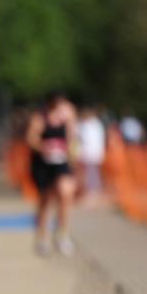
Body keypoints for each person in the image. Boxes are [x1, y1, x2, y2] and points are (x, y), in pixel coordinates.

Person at [26, 91, 77, 255]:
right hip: (43, 163)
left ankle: (63, 234)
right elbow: (31, 138)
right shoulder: (40, 116)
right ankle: (42, 236)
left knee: (65, 193)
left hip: (61, 162)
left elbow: (72, 138)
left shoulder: (68, 113)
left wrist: (72, 156)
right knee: (45, 199)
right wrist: (44, 147)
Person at [75, 105, 106, 201]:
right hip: (91, 153)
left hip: (89, 153)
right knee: (92, 173)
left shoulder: (88, 125)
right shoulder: (96, 124)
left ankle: (91, 193)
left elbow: (83, 139)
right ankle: (90, 192)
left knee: (90, 174)